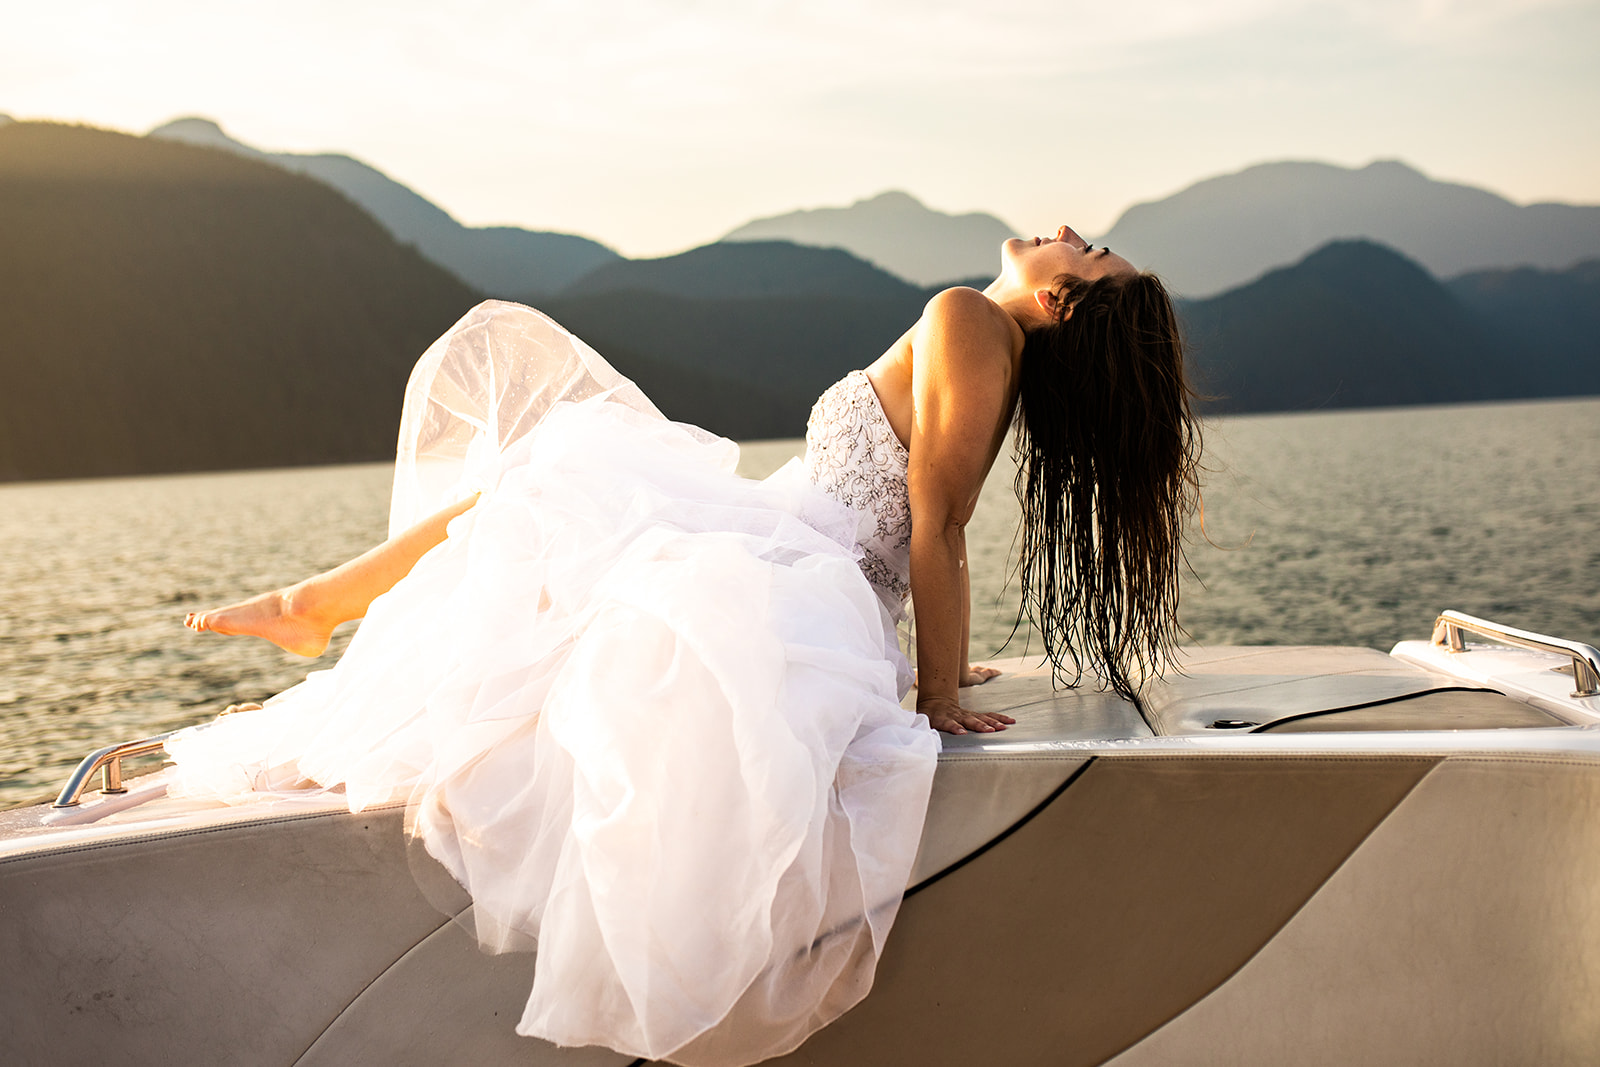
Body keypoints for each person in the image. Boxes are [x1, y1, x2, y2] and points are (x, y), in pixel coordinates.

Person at [173, 225, 1201, 1065]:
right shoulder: (988, 346)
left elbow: (935, 520)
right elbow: (926, 524)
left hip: (792, 560)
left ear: (1062, 301)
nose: (1066, 232)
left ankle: (317, 605)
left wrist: (935, 688)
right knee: (560, 491)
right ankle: (316, 604)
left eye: (1089, 251)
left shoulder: (969, 316)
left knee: (551, 485)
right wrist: (922, 657)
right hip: (811, 567)